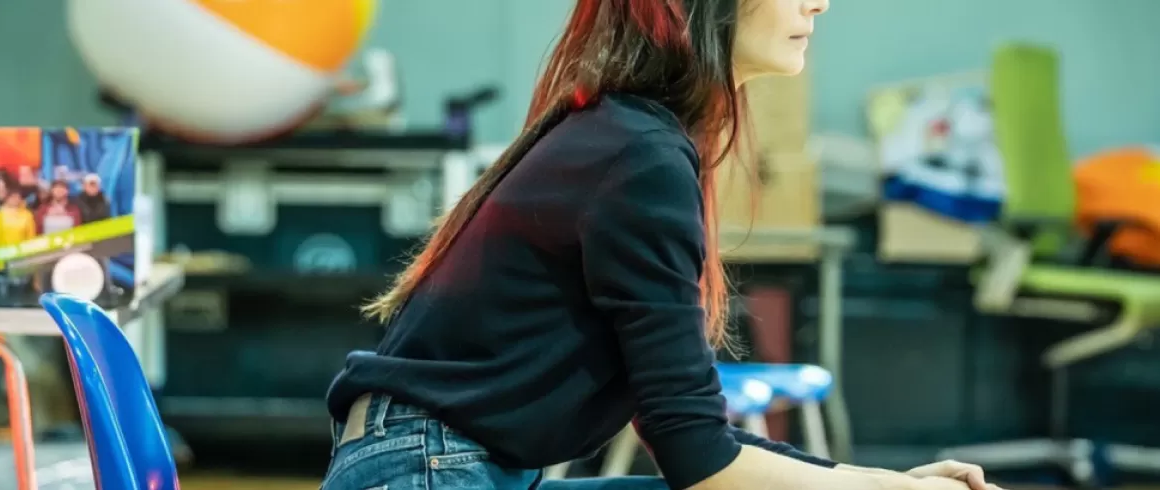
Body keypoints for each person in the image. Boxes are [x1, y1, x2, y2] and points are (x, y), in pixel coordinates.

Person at [323, 1, 1006, 490]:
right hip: (427, 468)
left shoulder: (630, 136)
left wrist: (881, 480)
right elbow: (699, 459)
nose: (820, 4)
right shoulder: (638, 154)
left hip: (440, 462)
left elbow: (692, 431)